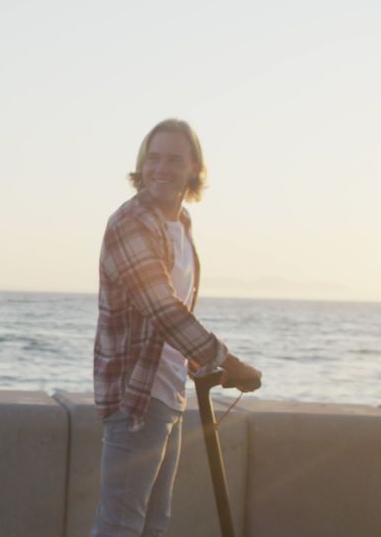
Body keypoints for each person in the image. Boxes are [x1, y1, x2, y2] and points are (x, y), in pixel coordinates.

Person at [90, 118, 261, 537]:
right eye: (153, 158)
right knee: (120, 527)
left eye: (173, 160)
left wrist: (195, 361)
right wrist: (227, 360)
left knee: (153, 525)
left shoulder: (180, 225)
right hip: (136, 395)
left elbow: (172, 312)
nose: (161, 168)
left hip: (168, 391)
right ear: (141, 165)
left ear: (193, 169)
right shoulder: (131, 223)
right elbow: (163, 309)